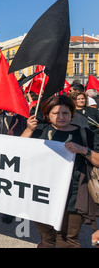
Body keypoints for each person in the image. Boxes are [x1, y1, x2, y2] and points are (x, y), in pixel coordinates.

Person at [21, 95, 99, 248]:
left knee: (68, 239)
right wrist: (29, 129)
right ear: (48, 115)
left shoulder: (85, 134)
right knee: (47, 236)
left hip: (74, 196)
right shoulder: (39, 131)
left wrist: (83, 150)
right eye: (55, 113)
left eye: (65, 113)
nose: (61, 117)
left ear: (72, 114)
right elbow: (18, 152)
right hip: (41, 194)